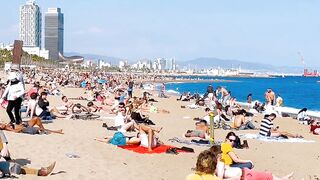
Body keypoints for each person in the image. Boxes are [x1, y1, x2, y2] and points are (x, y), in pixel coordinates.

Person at [210, 145, 294, 180]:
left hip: (245, 173)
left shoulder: (217, 164)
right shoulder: (219, 164)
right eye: (221, 153)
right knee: (267, 176)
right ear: (218, 155)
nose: (222, 154)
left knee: (267, 176)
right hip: (245, 176)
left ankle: (283, 179)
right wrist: (235, 178)